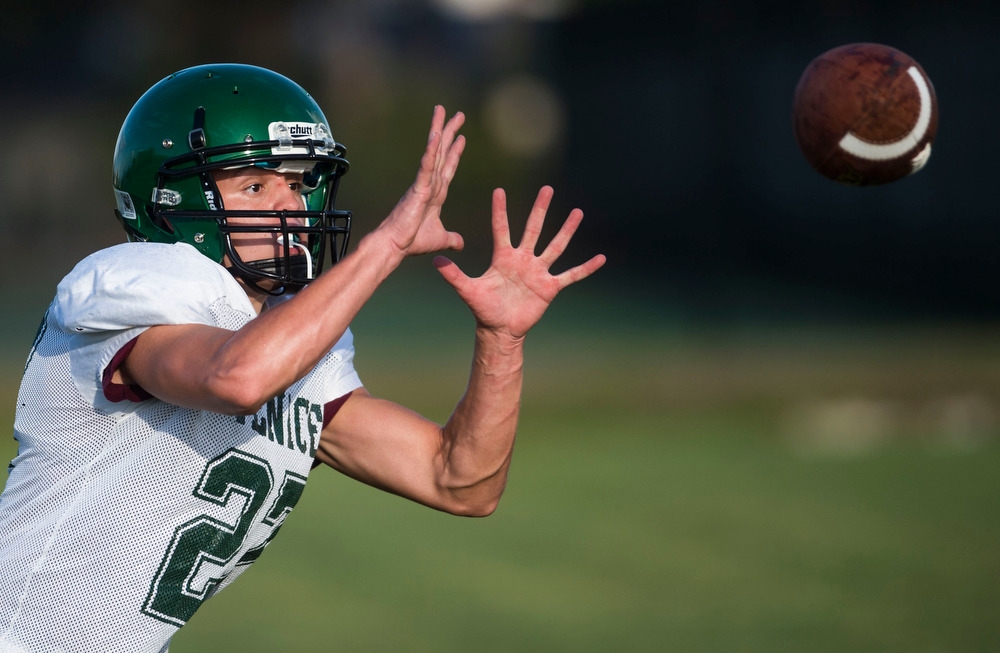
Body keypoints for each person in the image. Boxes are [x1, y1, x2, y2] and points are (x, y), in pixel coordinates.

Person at [0, 63, 604, 652]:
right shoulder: (131, 281)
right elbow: (237, 377)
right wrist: (386, 245)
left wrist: (501, 340)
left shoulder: (294, 337)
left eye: (300, 182)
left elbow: (458, 481)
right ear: (172, 201)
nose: (291, 207)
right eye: (256, 185)